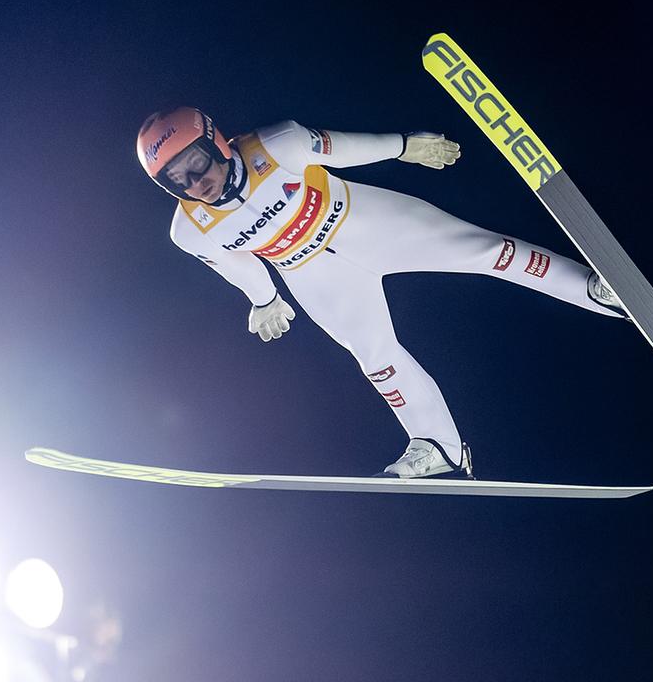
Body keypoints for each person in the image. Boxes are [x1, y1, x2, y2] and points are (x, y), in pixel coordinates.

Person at [136, 107, 626, 479]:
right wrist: (263, 298)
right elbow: (233, 260)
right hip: (311, 275)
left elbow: (342, 148)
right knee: (375, 357)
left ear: (215, 140)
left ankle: (593, 289)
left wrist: (404, 146)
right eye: (176, 181)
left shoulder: (275, 145)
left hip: (363, 222)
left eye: (196, 164)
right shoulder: (190, 230)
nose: (197, 183)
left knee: (486, 253)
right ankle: (436, 445)